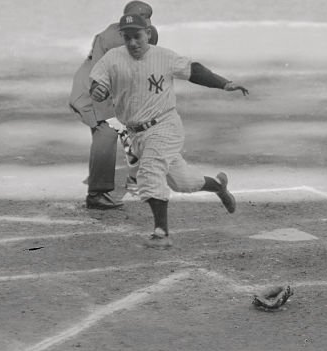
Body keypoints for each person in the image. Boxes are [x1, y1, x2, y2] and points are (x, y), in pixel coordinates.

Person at [88, 13, 249, 248]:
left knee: (150, 171)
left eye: (138, 36)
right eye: (127, 37)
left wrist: (225, 83)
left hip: (164, 126)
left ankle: (161, 233)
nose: (133, 42)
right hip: (136, 134)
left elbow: (193, 70)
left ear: (148, 33)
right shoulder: (112, 58)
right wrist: (97, 91)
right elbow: (97, 83)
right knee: (183, 182)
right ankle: (218, 186)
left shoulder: (164, 57)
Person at [69, 0, 159, 210]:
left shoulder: (146, 34)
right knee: (107, 132)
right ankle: (96, 194)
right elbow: (99, 74)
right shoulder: (109, 38)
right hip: (93, 88)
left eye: (147, 19)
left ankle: (136, 179)